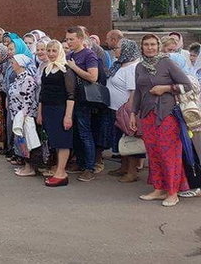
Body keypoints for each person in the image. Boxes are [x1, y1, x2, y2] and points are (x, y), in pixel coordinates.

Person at [130, 34, 192, 207]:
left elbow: (187, 85)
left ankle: (173, 192)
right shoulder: (140, 66)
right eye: (146, 45)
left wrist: (165, 88)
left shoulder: (167, 62)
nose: (150, 48)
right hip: (147, 115)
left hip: (167, 115)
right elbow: (138, 92)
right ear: (141, 47)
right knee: (154, 152)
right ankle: (159, 188)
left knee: (169, 154)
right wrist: (133, 114)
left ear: (158, 46)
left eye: (153, 44)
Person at [37, 40, 77, 186]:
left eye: (54, 51)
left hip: (61, 109)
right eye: (49, 51)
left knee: (63, 141)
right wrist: (40, 112)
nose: (51, 54)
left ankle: (61, 172)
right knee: (54, 141)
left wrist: (68, 116)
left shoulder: (66, 70)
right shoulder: (46, 69)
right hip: (48, 109)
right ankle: (58, 170)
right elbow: (42, 93)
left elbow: (71, 95)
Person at [65, 26, 100, 182]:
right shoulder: (70, 54)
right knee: (76, 133)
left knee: (85, 133)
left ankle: (89, 167)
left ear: (80, 38)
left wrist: (74, 67)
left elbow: (93, 77)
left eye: (72, 39)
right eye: (67, 39)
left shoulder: (89, 54)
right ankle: (79, 162)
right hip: (72, 99)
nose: (69, 42)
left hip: (85, 100)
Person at [106, 39, 142, 183]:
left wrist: (131, 111)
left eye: (118, 47)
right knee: (121, 140)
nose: (115, 49)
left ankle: (132, 171)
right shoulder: (120, 65)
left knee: (130, 140)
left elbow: (133, 91)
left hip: (126, 112)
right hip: (116, 109)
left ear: (127, 49)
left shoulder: (132, 68)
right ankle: (124, 166)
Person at [8, 54, 40, 176]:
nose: (12, 64)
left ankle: (29, 167)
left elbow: (28, 99)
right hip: (16, 115)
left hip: (24, 117)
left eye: (13, 62)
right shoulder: (18, 78)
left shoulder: (28, 79)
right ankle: (26, 165)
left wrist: (24, 116)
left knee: (27, 141)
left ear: (20, 64)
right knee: (21, 142)